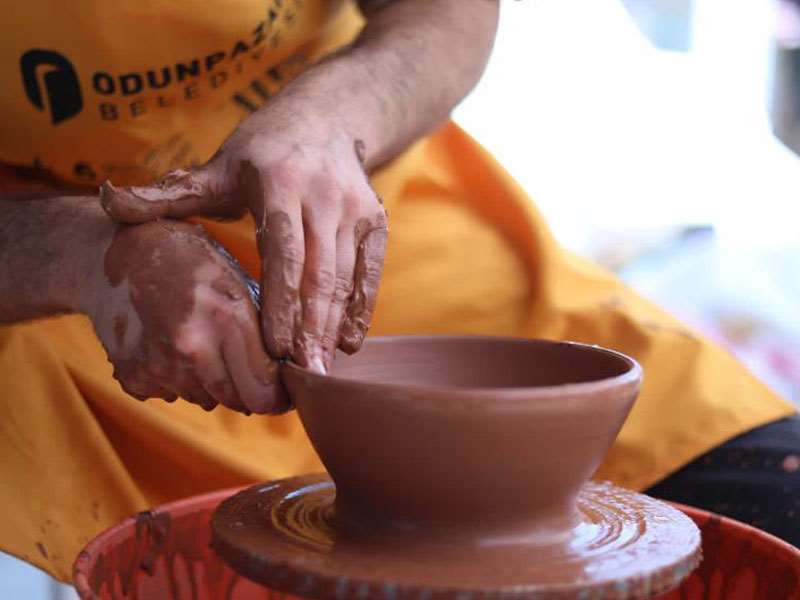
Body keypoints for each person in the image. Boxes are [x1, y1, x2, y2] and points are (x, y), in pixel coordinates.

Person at [0, 0, 795, 583]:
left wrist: (339, 113)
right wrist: (81, 254)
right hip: (56, 302)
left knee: (769, 502)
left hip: (370, 205)